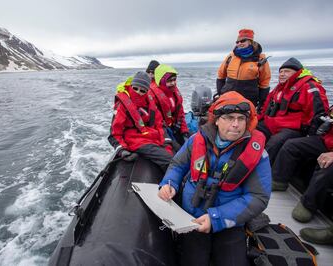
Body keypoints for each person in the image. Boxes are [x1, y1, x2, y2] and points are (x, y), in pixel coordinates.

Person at [158, 91, 271, 266]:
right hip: (191, 218)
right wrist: (169, 184)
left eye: (241, 119)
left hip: (229, 222)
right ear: (217, 120)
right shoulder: (196, 140)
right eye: (229, 117)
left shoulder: (258, 155)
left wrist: (216, 218)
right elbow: (177, 165)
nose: (236, 124)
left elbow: (258, 197)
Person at [257, 57, 329, 165]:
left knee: (274, 143)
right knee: (251, 130)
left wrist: (311, 137)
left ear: (298, 73)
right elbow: (265, 108)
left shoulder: (308, 87)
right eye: (281, 71)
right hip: (274, 123)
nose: (282, 74)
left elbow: (318, 113)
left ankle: (263, 170)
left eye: (287, 71)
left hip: (294, 128)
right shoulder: (278, 88)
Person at [108, 71, 173, 172]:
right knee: (170, 161)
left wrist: (165, 140)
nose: (138, 92)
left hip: (151, 136)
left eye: (142, 90)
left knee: (178, 154)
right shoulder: (123, 105)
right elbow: (114, 133)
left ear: (147, 91)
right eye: (135, 88)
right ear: (132, 86)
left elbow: (159, 123)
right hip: (135, 140)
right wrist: (122, 149)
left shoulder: (149, 103)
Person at [216, 28, 271, 108]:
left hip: (249, 98)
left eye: (242, 41)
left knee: (246, 118)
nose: (239, 43)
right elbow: (221, 76)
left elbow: (265, 82)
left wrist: (262, 102)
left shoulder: (261, 59)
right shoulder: (231, 56)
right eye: (237, 42)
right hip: (228, 95)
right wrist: (220, 93)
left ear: (250, 41)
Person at [150, 64, 189, 148]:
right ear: (161, 81)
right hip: (162, 132)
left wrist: (184, 131)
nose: (173, 83)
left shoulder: (174, 93)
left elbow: (180, 114)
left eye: (174, 79)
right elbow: (157, 122)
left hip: (175, 127)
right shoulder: (152, 96)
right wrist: (167, 137)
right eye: (169, 81)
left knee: (193, 142)